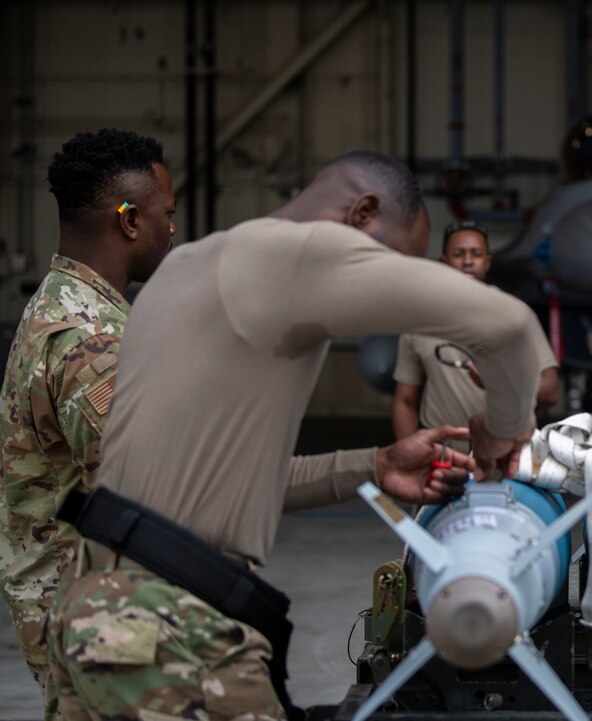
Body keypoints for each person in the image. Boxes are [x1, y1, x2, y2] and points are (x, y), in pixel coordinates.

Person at [45, 150, 551, 721]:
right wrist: (501, 433)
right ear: (362, 213)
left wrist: (374, 466)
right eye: (390, 262)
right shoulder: (304, 252)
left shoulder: (185, 267)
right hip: (168, 624)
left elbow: (220, 484)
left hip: (93, 609)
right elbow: (509, 326)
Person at [0, 128, 175, 717]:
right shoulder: (92, 340)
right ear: (129, 220)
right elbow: (137, 501)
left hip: (68, 603)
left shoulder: (58, 302)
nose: (172, 229)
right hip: (95, 618)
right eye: (165, 214)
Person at [392, 218, 560, 453]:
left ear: (487, 262)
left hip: (505, 454)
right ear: (444, 261)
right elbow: (405, 401)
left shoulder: (515, 314)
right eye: (459, 254)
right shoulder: (420, 319)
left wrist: (499, 381)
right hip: (444, 455)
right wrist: (411, 451)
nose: (468, 261)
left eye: (476, 254)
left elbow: (551, 390)